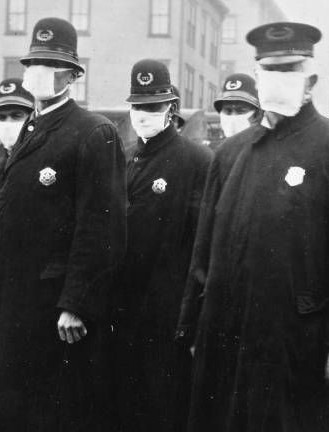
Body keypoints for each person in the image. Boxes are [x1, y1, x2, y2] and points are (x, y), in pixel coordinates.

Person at [176, 22, 329, 432]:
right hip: (226, 332)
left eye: (290, 70)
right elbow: (205, 251)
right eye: (270, 71)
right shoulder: (230, 153)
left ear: (311, 81)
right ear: (257, 78)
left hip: (296, 338)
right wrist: (192, 322)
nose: (279, 80)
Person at [0, 17, 127, 432]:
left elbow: (101, 227)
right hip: (13, 296)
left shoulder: (93, 132)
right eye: (33, 64)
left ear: (73, 76)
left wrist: (76, 301)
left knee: (51, 408)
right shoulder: (31, 126)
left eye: (51, 65)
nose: (38, 73)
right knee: (12, 403)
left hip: (52, 307)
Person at [112, 59, 212, 432]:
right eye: (138, 106)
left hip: (167, 314)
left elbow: (203, 246)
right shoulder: (124, 158)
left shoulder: (196, 161)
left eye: (152, 106)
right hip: (123, 310)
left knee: (164, 409)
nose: (143, 114)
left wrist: (191, 318)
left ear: (170, 108)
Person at [0, 77, 34, 195]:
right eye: (2, 117)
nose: (8, 123)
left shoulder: (46, 166)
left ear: (32, 119)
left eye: (16, 116)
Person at [213, 73, 262, 139]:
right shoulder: (215, 148)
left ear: (256, 115)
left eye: (240, 111)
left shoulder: (270, 147)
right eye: (228, 111)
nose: (233, 116)